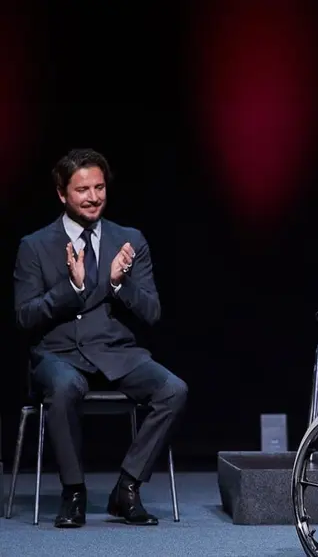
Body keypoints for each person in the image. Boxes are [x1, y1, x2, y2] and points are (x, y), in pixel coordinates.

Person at [12, 149, 188, 528]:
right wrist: (71, 288)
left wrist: (117, 282)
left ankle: (126, 489)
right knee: (62, 388)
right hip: (58, 355)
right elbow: (25, 315)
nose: (93, 197)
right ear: (62, 194)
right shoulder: (35, 245)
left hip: (115, 353)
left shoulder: (130, 240)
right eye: (82, 190)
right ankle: (74, 491)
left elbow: (152, 312)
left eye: (99, 187)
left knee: (173, 390)